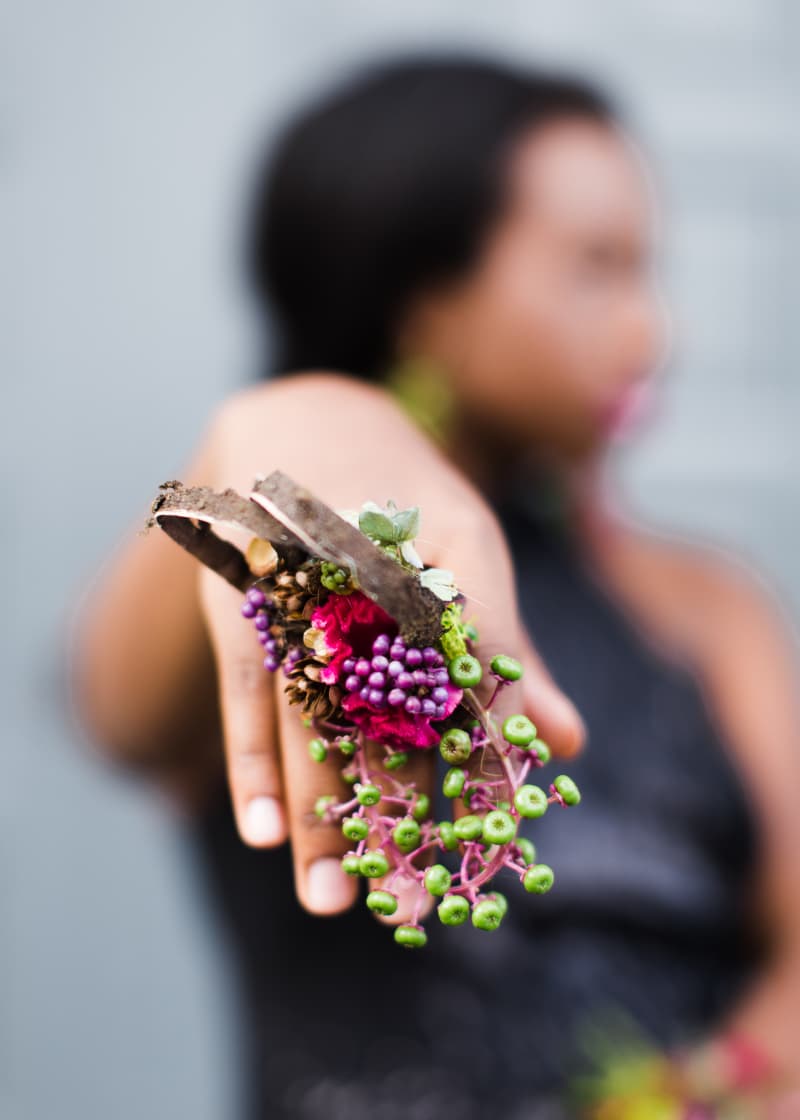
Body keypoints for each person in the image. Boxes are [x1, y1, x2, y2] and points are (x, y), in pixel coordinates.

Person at [72, 56, 800, 1118]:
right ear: (420, 293)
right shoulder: (270, 585)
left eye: (646, 271)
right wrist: (274, 433)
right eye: (595, 268)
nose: (653, 334)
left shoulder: (702, 603)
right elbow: (121, 708)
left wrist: (702, 1091)